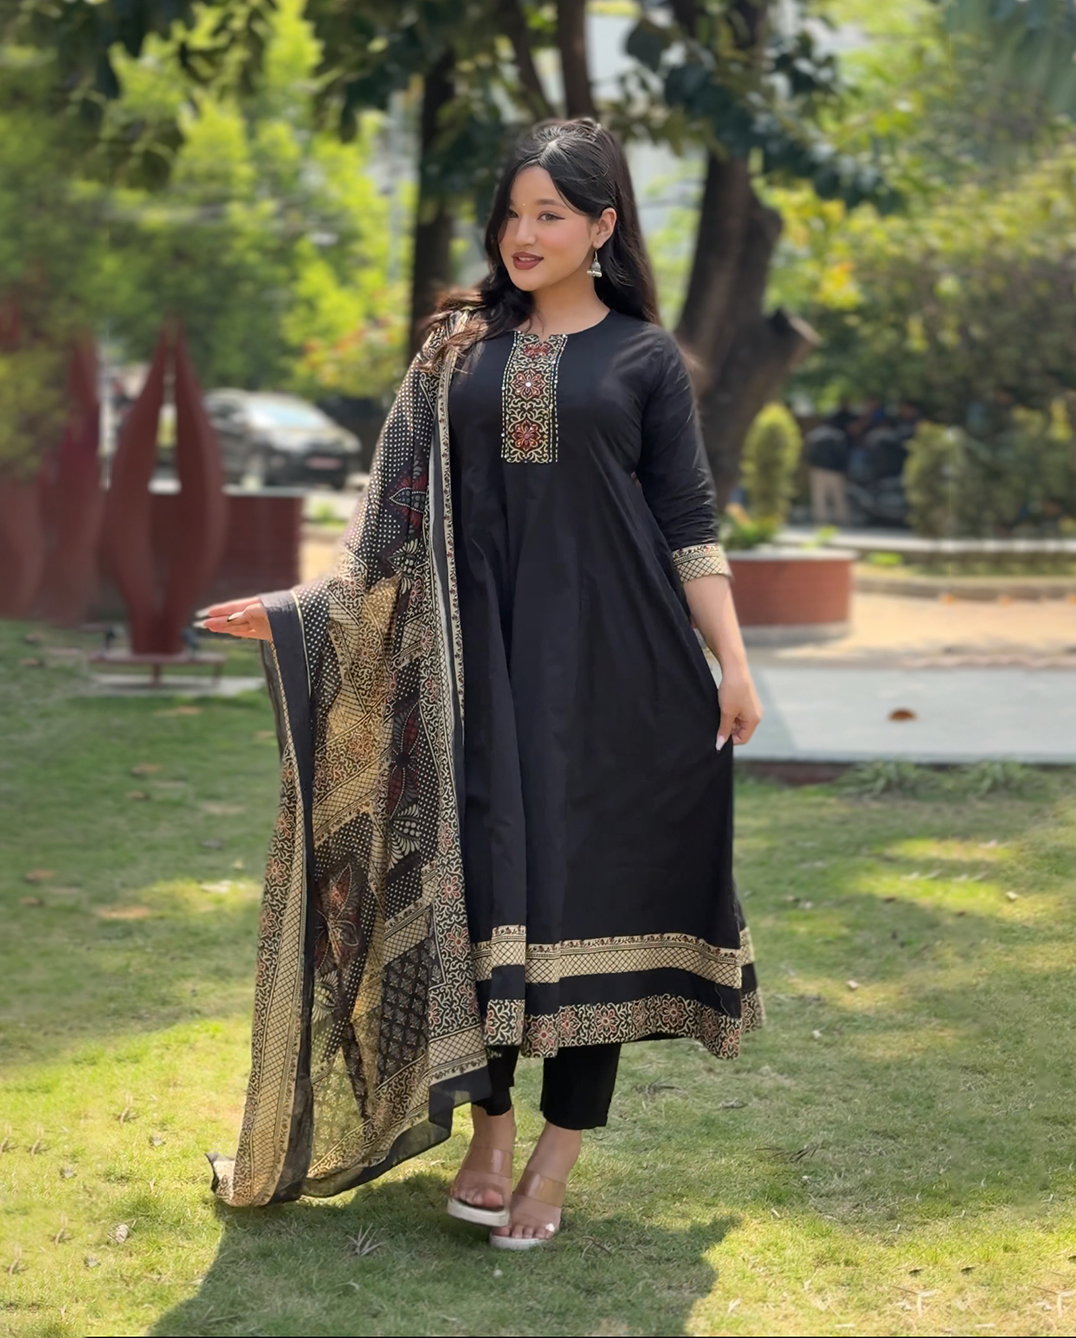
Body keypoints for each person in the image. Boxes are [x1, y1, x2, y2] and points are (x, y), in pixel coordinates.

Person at [199, 118, 764, 1248]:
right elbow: (389, 531)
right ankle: (489, 1130)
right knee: (483, 896)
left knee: (597, 903)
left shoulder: (645, 361)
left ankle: (555, 1159)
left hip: (623, 681)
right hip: (477, 685)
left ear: (602, 228)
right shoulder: (455, 355)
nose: (524, 233)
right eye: (513, 213)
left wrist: (733, 662)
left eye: (551, 214)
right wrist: (297, 611)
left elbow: (687, 527)